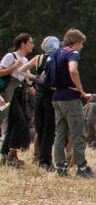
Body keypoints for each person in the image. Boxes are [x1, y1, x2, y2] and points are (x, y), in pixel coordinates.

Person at [49, 28, 94, 177]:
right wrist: (81, 90)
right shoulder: (72, 53)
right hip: (70, 98)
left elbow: (46, 76)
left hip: (57, 97)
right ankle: (82, 167)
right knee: (77, 132)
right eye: (81, 44)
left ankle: (60, 167)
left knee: (59, 133)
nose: (82, 47)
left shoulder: (56, 53)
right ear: (76, 43)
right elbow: (73, 70)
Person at [0, 33, 36, 165]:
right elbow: (0, 72)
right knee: (20, 122)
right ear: (22, 44)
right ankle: (12, 153)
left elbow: (26, 79)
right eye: (30, 42)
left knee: (14, 124)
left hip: (21, 93)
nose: (32, 45)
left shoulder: (26, 60)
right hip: (9, 93)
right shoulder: (11, 56)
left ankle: (5, 155)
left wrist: (33, 91)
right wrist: (14, 66)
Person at [30, 37, 60, 170]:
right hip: (50, 96)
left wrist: (36, 79)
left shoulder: (38, 58)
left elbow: (22, 70)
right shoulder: (56, 59)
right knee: (49, 129)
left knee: (40, 129)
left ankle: (40, 157)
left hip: (38, 95)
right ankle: (46, 160)